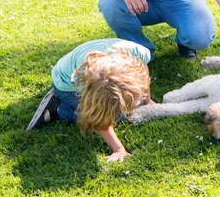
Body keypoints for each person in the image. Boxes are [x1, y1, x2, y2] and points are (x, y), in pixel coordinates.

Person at [25, 38, 153, 162]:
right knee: (114, 117)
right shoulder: (86, 80)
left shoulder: (137, 53)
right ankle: (59, 108)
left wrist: (148, 101)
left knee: (130, 108)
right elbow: (98, 119)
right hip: (66, 86)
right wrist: (119, 149)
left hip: (86, 73)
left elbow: (144, 72)